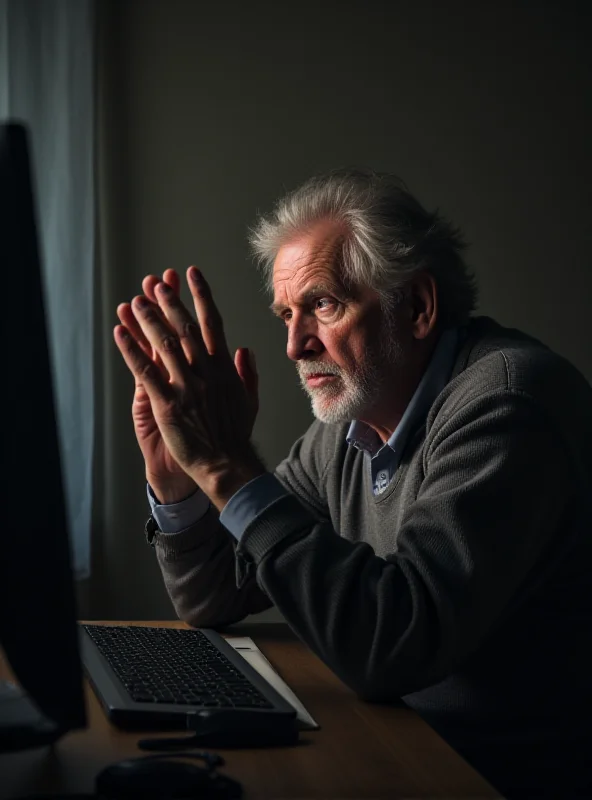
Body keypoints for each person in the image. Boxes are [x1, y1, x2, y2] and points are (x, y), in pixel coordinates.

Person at [114, 169, 592, 799]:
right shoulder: (345, 432)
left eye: (323, 304)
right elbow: (214, 597)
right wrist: (177, 477)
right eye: (286, 313)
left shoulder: (507, 405)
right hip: (405, 747)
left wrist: (228, 465)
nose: (292, 344)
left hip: (503, 779)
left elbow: (393, 647)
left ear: (417, 307)